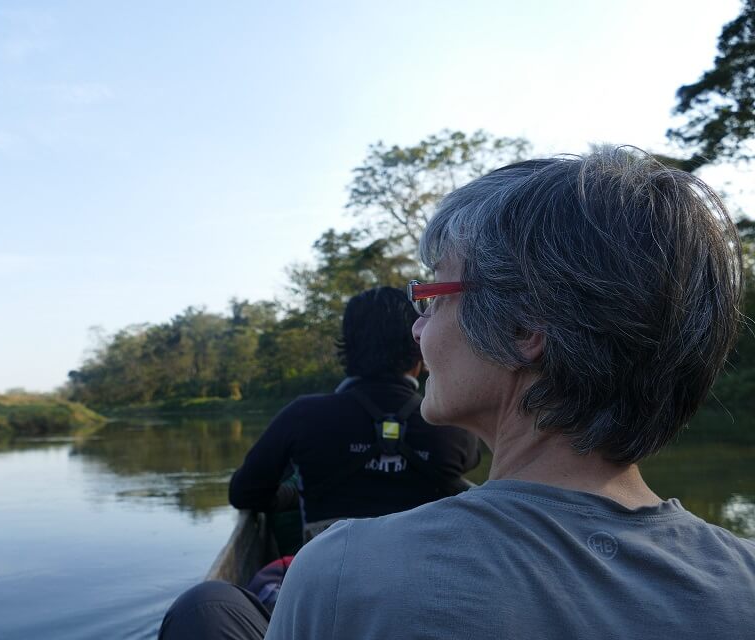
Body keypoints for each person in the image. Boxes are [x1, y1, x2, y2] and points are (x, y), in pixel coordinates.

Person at [159, 147, 755, 640]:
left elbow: (249, 492)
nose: (418, 328)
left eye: (432, 294)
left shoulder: (342, 573)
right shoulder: (745, 579)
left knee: (204, 609)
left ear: (525, 328)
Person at [228, 286, 481, 541]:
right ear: (419, 349)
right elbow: (471, 461)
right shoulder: (453, 424)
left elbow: (244, 493)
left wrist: (294, 495)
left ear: (347, 348)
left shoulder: (302, 416)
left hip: (326, 579)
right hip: (422, 577)